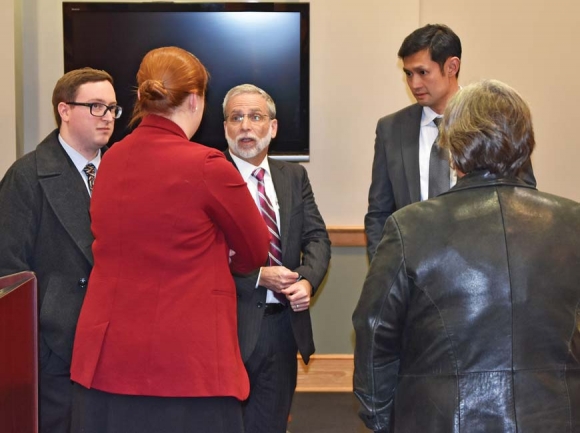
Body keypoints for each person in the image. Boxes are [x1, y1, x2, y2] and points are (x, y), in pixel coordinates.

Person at [352, 79, 580, 433]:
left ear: (453, 145)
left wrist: (381, 418)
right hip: (556, 416)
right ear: (526, 141)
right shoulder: (572, 222)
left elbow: (374, 329)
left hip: (441, 417)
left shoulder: (410, 226)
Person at [69, 47, 270, 433]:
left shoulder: (109, 161)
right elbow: (255, 251)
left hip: (109, 358)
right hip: (187, 364)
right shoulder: (208, 165)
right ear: (195, 99)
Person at [0, 67, 119, 433]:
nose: (108, 118)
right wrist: (37, 345)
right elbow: (9, 270)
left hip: (118, 343)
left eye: (113, 108)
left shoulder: (122, 171)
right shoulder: (27, 175)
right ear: (64, 110)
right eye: (96, 106)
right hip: (55, 351)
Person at [364, 24, 536, 261]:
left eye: (422, 72)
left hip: (484, 269)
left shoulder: (496, 120)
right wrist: (383, 270)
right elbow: (379, 213)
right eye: (408, 74)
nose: (414, 84)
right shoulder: (391, 129)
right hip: (415, 275)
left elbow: (523, 198)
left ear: (452, 67)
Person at [222, 84, 331, 433]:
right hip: (226, 326)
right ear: (225, 127)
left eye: (256, 117)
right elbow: (198, 255)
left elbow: (317, 237)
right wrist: (257, 277)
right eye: (236, 117)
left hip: (282, 328)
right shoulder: (208, 176)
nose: (245, 126)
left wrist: (307, 279)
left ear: (273, 127)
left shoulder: (293, 176)